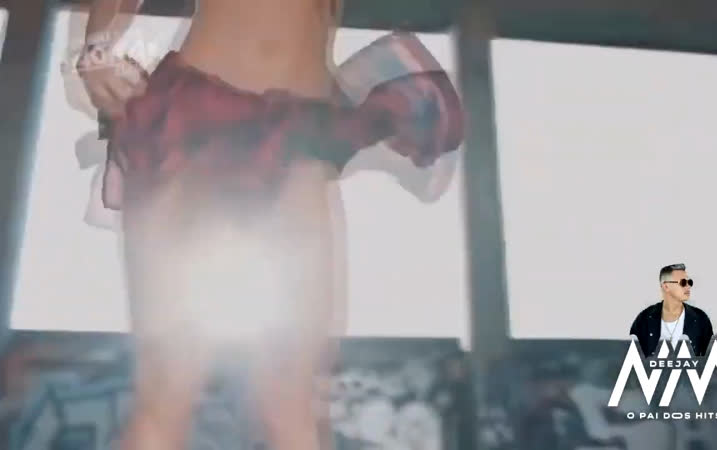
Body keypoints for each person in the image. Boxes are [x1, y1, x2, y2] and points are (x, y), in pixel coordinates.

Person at [65, 1, 464, 450]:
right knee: (168, 389)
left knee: (293, 399)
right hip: (195, 119)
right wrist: (95, 48)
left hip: (300, 137)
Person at [629, 263, 714, 357]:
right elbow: (632, 356)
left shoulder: (700, 319)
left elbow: (710, 357)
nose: (688, 286)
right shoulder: (644, 319)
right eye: (683, 282)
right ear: (666, 286)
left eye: (690, 282)